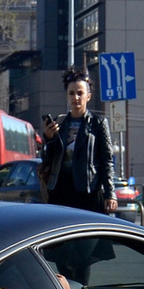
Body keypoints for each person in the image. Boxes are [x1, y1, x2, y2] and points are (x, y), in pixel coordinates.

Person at [40, 67, 117, 214]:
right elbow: (46, 159)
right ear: (67, 96)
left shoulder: (97, 123)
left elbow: (107, 161)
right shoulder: (59, 123)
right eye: (71, 93)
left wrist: (110, 194)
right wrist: (48, 138)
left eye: (80, 93)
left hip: (88, 191)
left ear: (88, 96)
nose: (76, 98)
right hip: (60, 190)